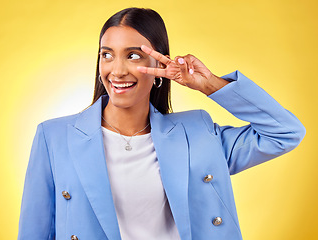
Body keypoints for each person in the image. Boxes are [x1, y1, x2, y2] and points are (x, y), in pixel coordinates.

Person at [17, 7, 305, 240]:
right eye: (107, 55)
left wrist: (210, 85)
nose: (117, 71)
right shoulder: (53, 137)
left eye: (133, 55)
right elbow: (34, 232)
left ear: (159, 68)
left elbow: (285, 133)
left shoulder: (197, 133)